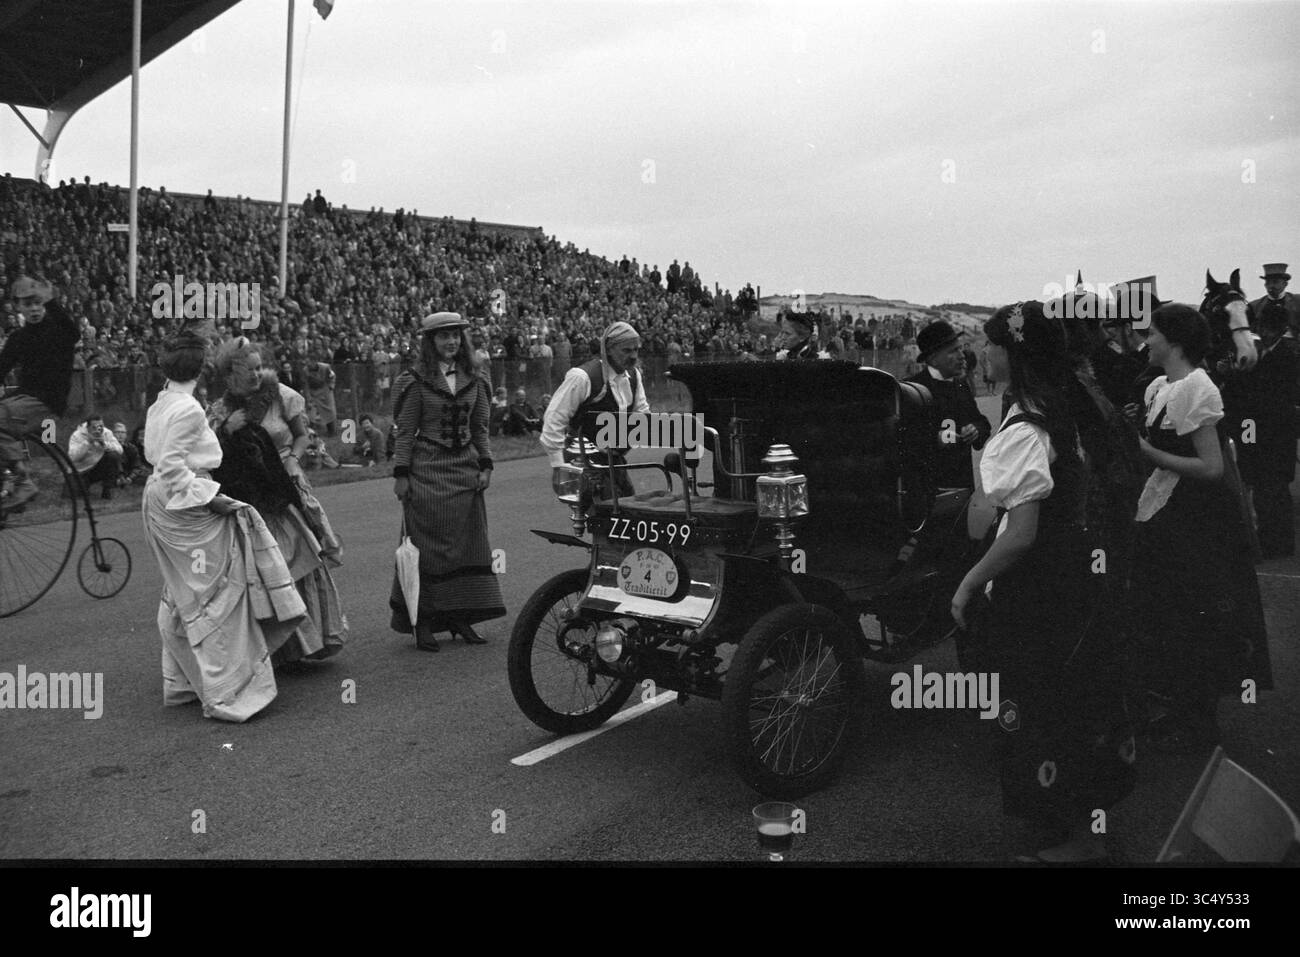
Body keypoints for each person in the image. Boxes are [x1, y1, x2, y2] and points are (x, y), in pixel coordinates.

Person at [951, 300, 1135, 862]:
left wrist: (968, 583)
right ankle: (1076, 825)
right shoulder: (1056, 406)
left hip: (1043, 585)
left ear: (1013, 353)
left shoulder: (1027, 427)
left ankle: (1072, 837)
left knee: (1047, 703)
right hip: (1074, 574)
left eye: (990, 343)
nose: (983, 352)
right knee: (1074, 697)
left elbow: (1023, 533)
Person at [142, 331, 305, 722]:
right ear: (200, 367)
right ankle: (229, 690)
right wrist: (207, 496)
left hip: (161, 501)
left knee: (185, 592)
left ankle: (183, 680)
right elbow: (171, 468)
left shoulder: (163, 403)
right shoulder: (188, 409)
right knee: (217, 596)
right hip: (183, 500)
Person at [1131, 304, 1272, 750]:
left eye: (1151, 334)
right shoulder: (1160, 386)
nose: (1145, 341)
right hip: (1169, 517)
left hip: (1197, 522)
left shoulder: (1197, 387)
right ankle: (1179, 710)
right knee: (1172, 615)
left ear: (1173, 341)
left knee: (1196, 617)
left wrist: (1147, 453)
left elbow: (1211, 467)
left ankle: (1199, 726)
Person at [207, 337, 348, 665]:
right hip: (249, 494)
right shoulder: (219, 412)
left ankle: (311, 641)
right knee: (267, 568)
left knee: (298, 561)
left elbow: (302, 436)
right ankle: (281, 650)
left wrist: (294, 460)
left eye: (259, 368)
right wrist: (226, 429)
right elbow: (211, 455)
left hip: (285, 486)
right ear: (230, 375)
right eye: (249, 370)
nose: (257, 375)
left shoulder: (281, 396)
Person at [390, 312, 505, 651]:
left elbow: (480, 429)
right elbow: (405, 432)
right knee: (426, 550)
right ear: (429, 342)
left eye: (456, 335)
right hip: (427, 470)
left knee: (468, 545)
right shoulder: (415, 380)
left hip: (465, 470)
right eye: (443, 337)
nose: (451, 342)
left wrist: (486, 466)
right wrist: (401, 474)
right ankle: (422, 620)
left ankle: (460, 616)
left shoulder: (477, 378)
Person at [541, 320, 650, 498]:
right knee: (604, 516)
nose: (633, 356)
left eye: (636, 350)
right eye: (626, 350)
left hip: (614, 461)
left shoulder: (633, 376)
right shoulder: (582, 377)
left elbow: (642, 414)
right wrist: (558, 466)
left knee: (629, 511)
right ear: (608, 350)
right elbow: (554, 420)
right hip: (581, 461)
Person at [0, 277, 79, 510]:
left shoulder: (58, 331)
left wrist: (52, 301)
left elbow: (73, 333)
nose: (34, 308)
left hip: (46, 402)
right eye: (28, 304)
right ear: (18, 307)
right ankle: (9, 485)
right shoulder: (18, 338)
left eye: (38, 303)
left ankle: (22, 481)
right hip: (23, 399)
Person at [1230, 301, 1299, 558]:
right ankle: (1270, 541)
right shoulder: (1264, 353)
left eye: (1271, 328)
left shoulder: (1285, 357)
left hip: (1277, 435)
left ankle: (1278, 544)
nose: (1265, 332)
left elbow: (1273, 398)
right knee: (1264, 489)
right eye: (1263, 327)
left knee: (1275, 491)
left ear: (1281, 329)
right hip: (1264, 433)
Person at [906, 320, 990, 489]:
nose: (962, 356)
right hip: (927, 489)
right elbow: (903, 440)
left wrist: (975, 430)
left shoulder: (961, 385)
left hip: (962, 487)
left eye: (960, 349)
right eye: (953, 351)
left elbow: (981, 422)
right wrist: (934, 440)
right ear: (934, 359)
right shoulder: (911, 390)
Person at [68, 415, 124, 500]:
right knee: (72, 496)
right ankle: (84, 485)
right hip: (80, 470)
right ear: (88, 427)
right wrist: (88, 442)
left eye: (101, 426)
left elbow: (120, 450)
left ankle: (108, 490)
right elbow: (73, 457)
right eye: (94, 427)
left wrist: (104, 444)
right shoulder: (77, 435)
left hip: (97, 468)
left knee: (113, 456)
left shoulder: (107, 433)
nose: (98, 429)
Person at [1249, 263, 1300, 339]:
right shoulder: (1254, 307)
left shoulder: (1297, 302)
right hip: (1265, 348)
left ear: (1285, 284)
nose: (1271, 286)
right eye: (1268, 283)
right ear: (1265, 285)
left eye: (1275, 282)